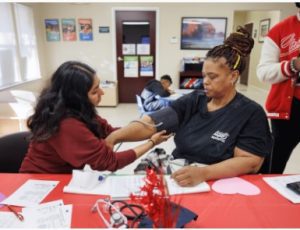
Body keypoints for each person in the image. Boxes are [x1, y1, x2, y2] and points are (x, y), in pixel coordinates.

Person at [106, 26, 272, 187]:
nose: (205, 81)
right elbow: (151, 123)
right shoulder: (194, 100)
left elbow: (250, 162)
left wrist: (204, 173)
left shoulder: (250, 113)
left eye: (212, 77)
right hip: (181, 171)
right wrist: (115, 137)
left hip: (218, 180)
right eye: (204, 75)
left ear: (233, 76)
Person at [19, 61, 170, 173]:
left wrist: (150, 127)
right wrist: (151, 142)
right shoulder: (66, 124)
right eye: (94, 91)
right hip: (41, 182)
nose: (102, 93)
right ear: (75, 97)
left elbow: (111, 131)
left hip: (60, 178)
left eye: (99, 86)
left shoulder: (79, 110)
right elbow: (110, 162)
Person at [257, 3, 300, 173]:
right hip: (289, 109)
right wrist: (294, 65)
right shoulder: (280, 30)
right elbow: (263, 73)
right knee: (273, 166)